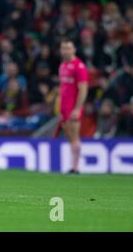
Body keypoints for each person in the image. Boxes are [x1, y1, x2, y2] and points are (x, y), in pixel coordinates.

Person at [57, 38, 89, 174]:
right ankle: (73, 165)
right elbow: (63, 88)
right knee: (69, 136)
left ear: (74, 49)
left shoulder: (79, 66)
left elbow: (83, 89)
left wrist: (77, 108)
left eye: (68, 48)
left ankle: (75, 167)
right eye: (63, 48)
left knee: (74, 135)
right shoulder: (62, 66)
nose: (65, 51)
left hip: (73, 106)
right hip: (64, 106)